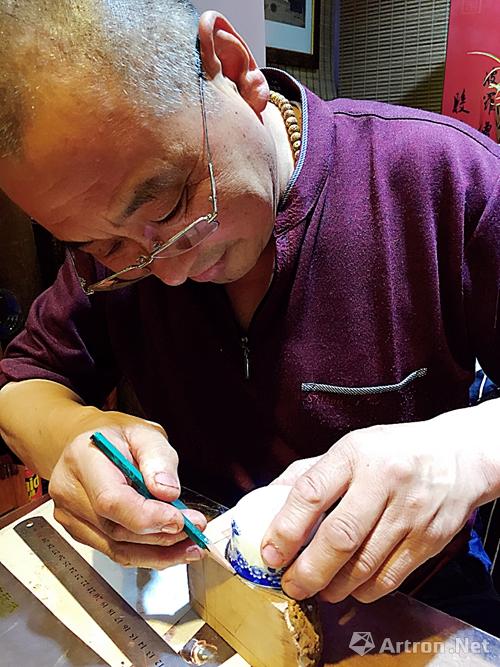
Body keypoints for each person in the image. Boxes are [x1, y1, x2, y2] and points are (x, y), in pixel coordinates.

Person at [0, 0, 499, 635]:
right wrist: (70, 435)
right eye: (106, 247)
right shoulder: (117, 262)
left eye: (171, 204)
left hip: (421, 599)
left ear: (234, 69)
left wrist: (463, 454)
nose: (167, 272)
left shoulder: (443, 180)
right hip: (210, 597)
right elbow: (21, 383)